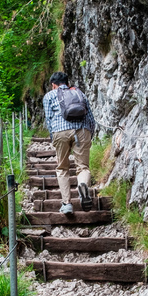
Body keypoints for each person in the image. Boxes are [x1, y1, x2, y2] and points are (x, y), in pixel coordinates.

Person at [42, 71, 96, 214]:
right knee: (83, 167)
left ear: (53, 85)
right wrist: (90, 134)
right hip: (82, 130)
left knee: (62, 168)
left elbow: (49, 119)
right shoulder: (79, 93)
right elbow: (90, 116)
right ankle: (83, 185)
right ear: (68, 83)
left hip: (61, 132)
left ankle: (67, 204)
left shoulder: (49, 96)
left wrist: (53, 137)